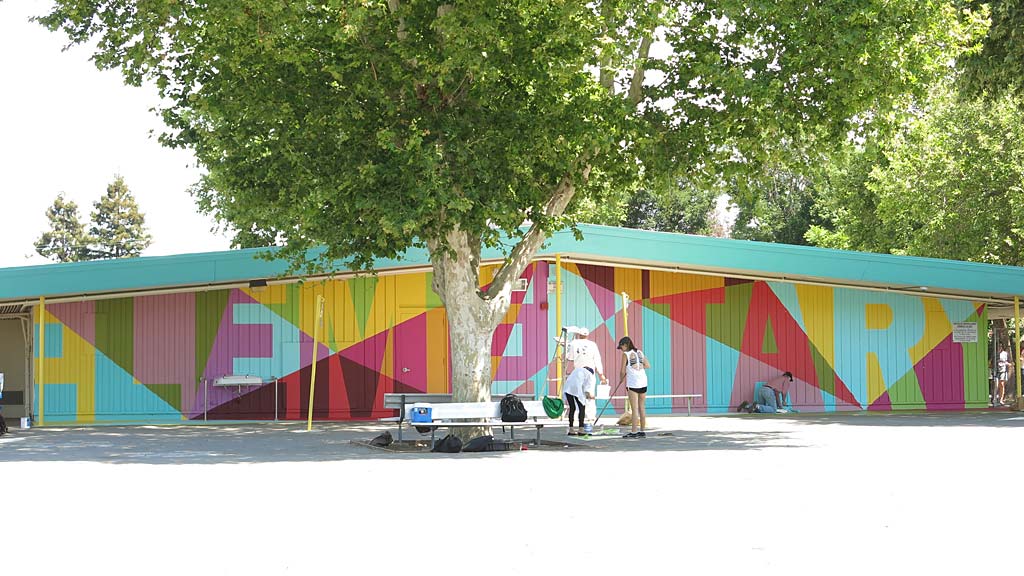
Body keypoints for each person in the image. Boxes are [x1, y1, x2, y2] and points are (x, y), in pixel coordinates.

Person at [563, 327, 607, 436]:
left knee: (573, 407)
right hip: (581, 378)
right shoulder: (592, 345)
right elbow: (597, 360)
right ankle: (586, 424)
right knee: (583, 403)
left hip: (573, 377)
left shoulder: (574, 343)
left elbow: (569, 357)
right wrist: (601, 375)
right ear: (587, 335)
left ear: (579, 334)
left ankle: (571, 428)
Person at [617, 336, 651, 438]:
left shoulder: (625, 354)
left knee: (634, 408)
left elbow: (622, 370)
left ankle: (634, 432)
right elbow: (648, 365)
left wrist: (621, 379)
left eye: (621, 346)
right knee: (642, 407)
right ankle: (642, 431)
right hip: (643, 381)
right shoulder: (639, 352)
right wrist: (638, 368)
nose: (621, 349)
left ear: (626, 345)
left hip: (633, 383)